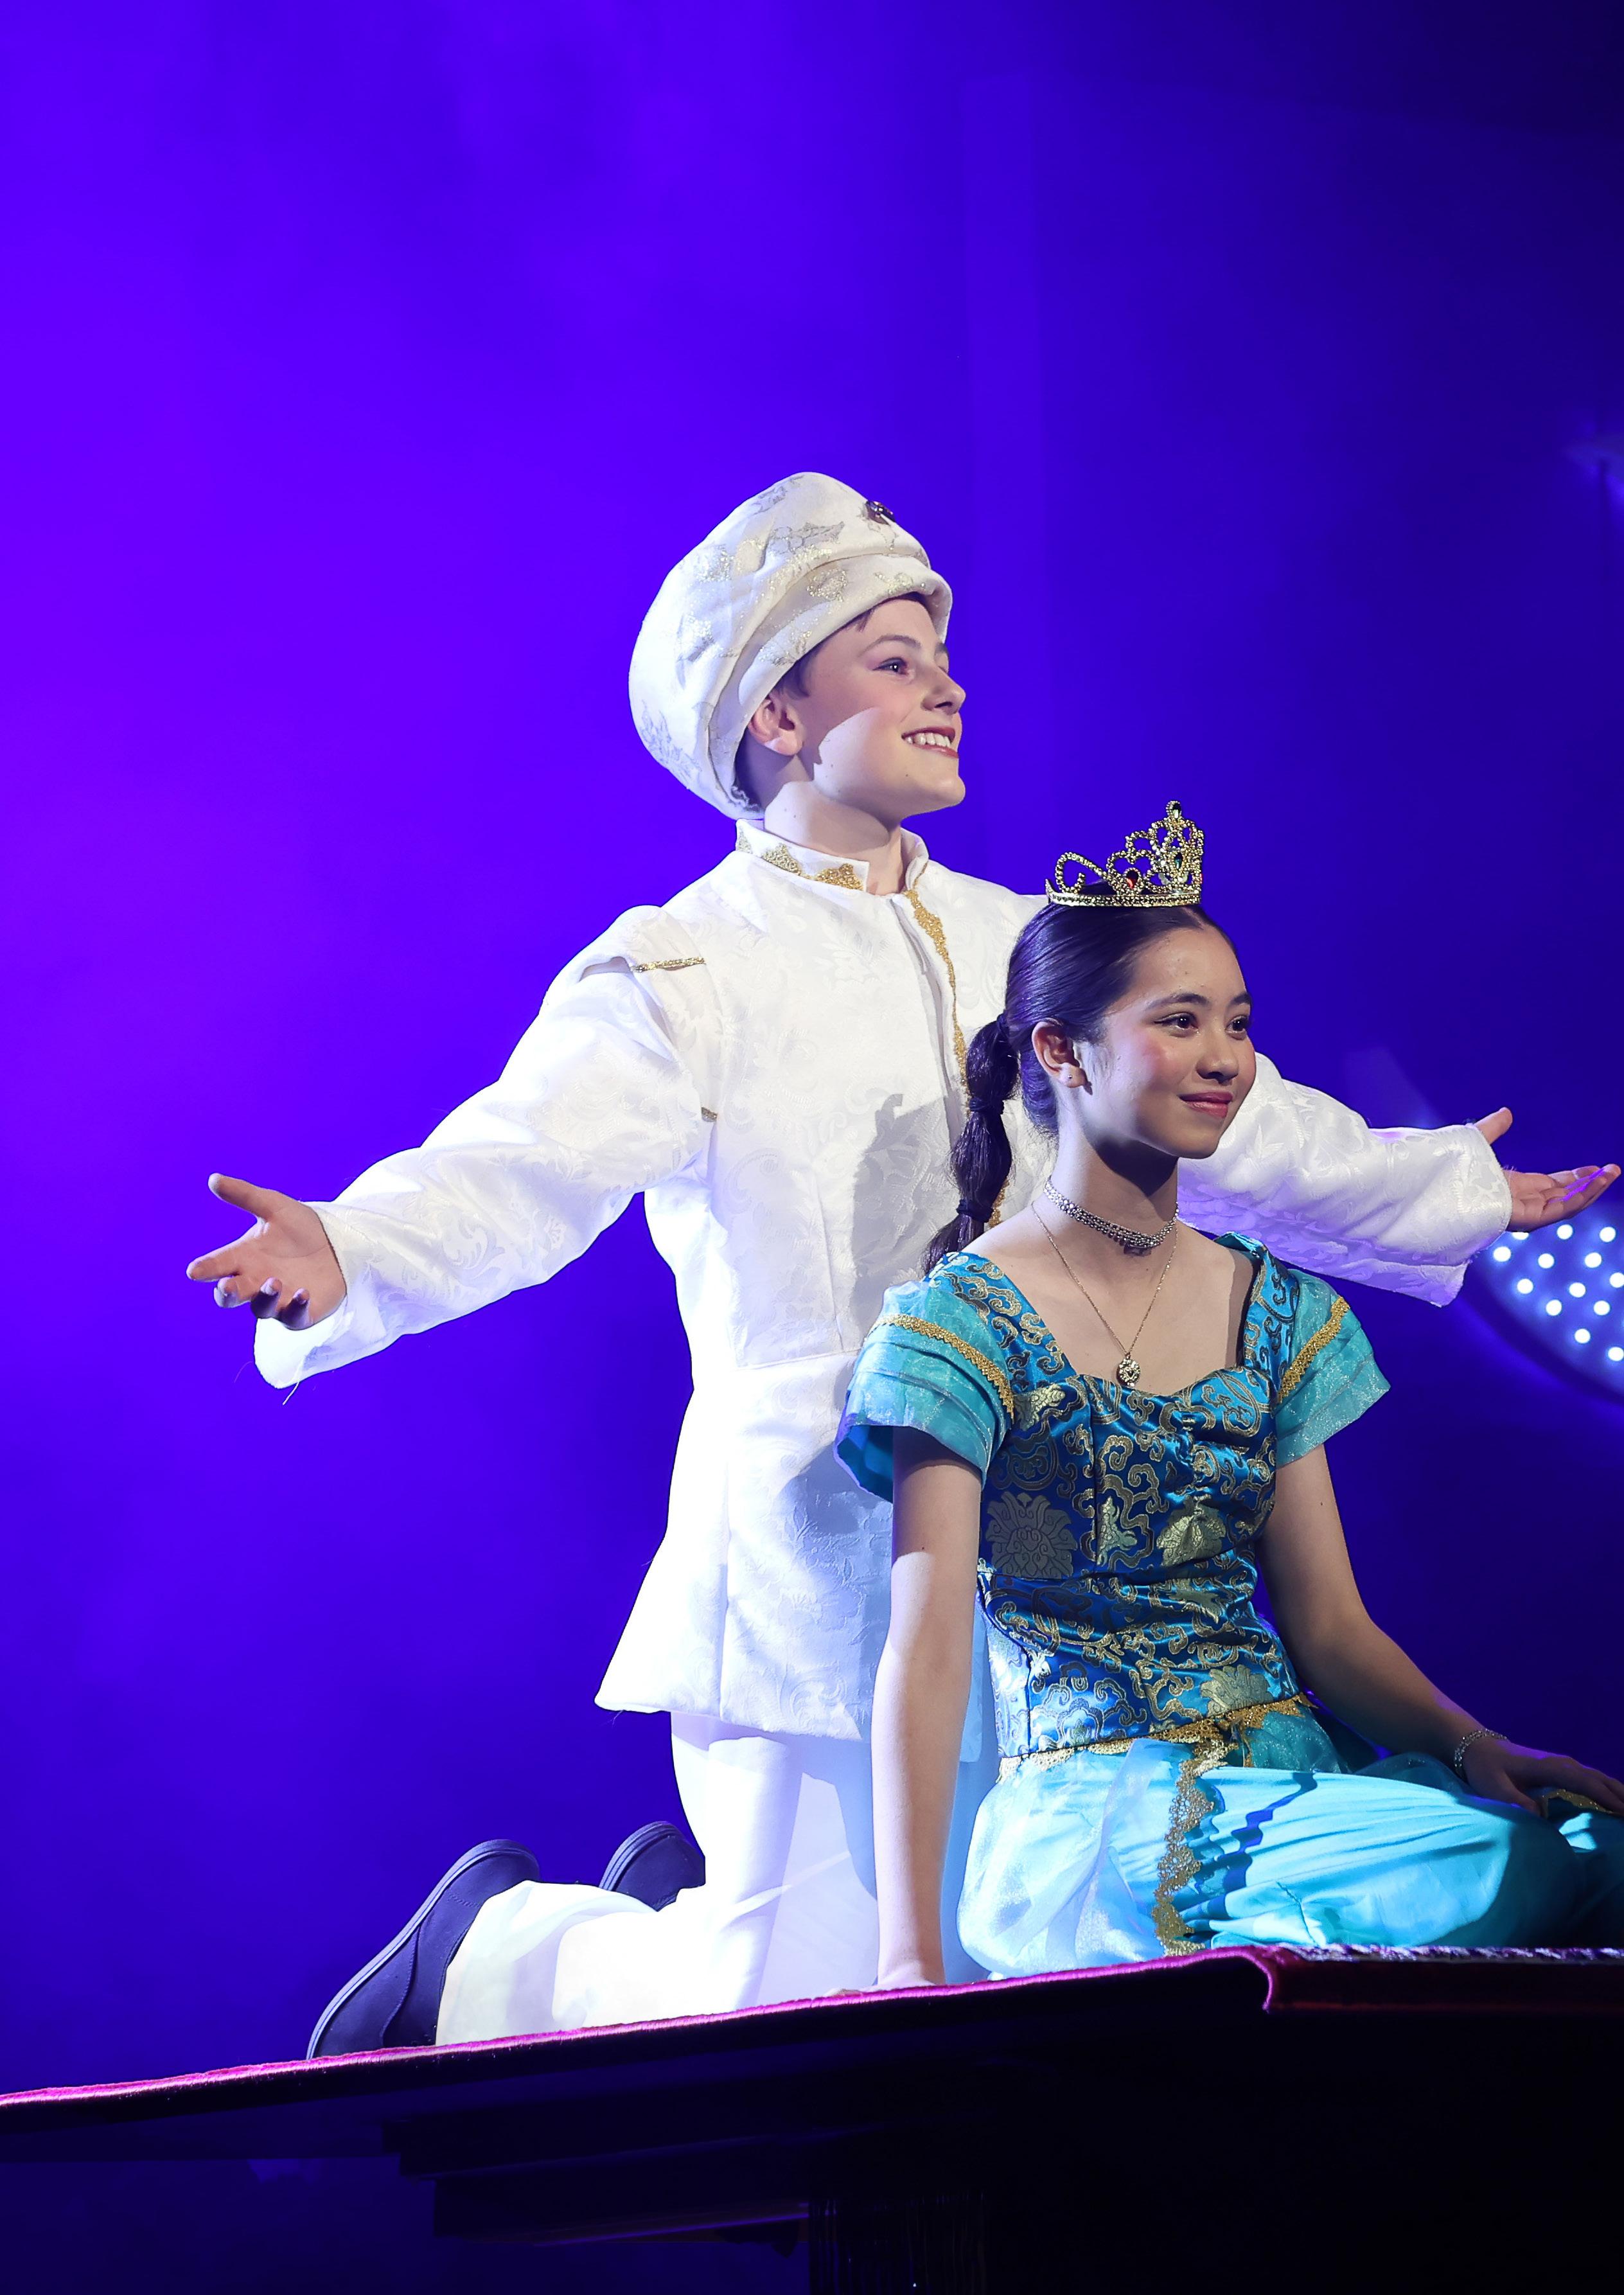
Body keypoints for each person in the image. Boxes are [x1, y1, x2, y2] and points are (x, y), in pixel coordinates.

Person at [186, 477, 1614, 2049]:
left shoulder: (1023, 941)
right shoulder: (686, 966)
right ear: (778, 713)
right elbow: (524, 1161)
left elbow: (1246, 1127)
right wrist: (355, 1248)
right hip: (815, 1546)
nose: (946, 686)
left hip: (1036, 1557)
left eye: (943, 655)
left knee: (996, 1979)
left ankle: (705, 1908)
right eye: (891, 659)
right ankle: (508, 1948)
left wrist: (1445, 1189)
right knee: (786, 2009)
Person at [841, 804, 1624, 1985]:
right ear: (1061, 1052)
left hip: (1289, 1789)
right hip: (1100, 1822)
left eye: (1240, 1024)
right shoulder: (960, 1326)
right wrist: (907, 1962)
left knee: (1594, 1855)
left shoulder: (1275, 1310)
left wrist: (1478, 1747)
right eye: (1181, 1021)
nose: (1226, 1058)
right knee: (1502, 1871)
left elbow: (1333, 1631)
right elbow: (928, 1649)